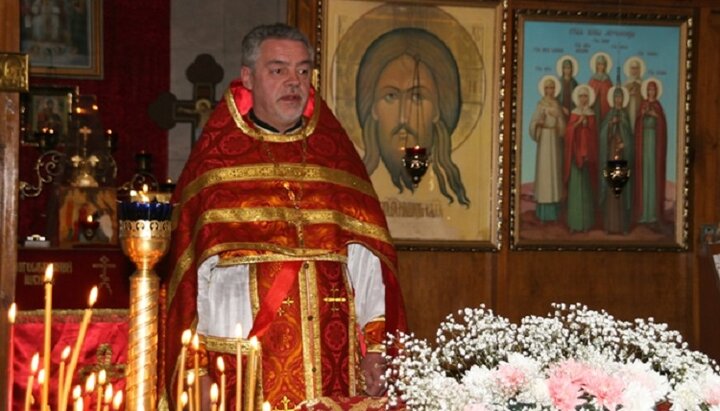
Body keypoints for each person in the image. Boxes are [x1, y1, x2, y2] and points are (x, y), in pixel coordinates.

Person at [161, 23, 406, 411]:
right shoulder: (215, 162)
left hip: (334, 365)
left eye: (303, 71)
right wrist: (198, 370)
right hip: (244, 370)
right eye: (278, 70)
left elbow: (365, 261)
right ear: (247, 77)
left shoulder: (334, 158)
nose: (294, 82)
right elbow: (193, 282)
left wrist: (375, 346)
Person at [356, 27, 470, 206]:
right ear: (373, 109)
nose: (403, 118)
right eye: (390, 96)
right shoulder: (353, 188)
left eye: (417, 97)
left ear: (437, 111)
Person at [529, 75, 566, 222]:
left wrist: (558, 118)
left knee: (554, 172)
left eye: (551, 87)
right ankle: (543, 213)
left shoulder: (557, 105)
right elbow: (532, 125)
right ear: (544, 90)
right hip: (544, 139)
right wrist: (539, 122)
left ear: (555, 89)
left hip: (554, 140)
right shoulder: (540, 104)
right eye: (547, 88)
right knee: (545, 173)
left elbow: (563, 128)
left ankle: (554, 212)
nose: (549, 90)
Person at [599, 86, 634, 234]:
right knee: (611, 189)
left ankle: (623, 227)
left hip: (622, 156)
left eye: (620, 97)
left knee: (622, 189)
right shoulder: (609, 115)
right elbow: (602, 135)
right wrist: (611, 124)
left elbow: (629, 137)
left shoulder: (625, 115)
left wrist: (624, 142)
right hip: (611, 154)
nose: (618, 99)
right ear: (613, 99)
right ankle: (610, 227)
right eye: (616, 97)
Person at [564, 85, 598, 232]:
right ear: (577, 98)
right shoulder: (574, 113)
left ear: (589, 98)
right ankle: (574, 224)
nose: (583, 99)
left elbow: (594, 135)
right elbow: (568, 132)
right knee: (575, 190)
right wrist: (578, 123)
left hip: (586, 156)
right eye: (581, 96)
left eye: (585, 96)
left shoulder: (591, 114)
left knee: (585, 190)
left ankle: (586, 224)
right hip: (575, 155)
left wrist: (586, 125)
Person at [633, 79, 667, 226]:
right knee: (644, 175)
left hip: (654, 143)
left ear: (656, 91)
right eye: (649, 90)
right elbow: (638, 123)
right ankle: (643, 213)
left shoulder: (658, 106)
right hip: (644, 143)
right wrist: (642, 115)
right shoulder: (643, 104)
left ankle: (652, 214)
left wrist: (655, 116)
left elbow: (662, 125)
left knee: (652, 176)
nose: (650, 92)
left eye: (653, 90)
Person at [588, 53, 613, 124]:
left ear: (605, 66)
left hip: (605, 105)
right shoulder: (593, 79)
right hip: (595, 105)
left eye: (602, 64)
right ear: (596, 65)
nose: (600, 66)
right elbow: (590, 92)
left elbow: (610, 93)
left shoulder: (607, 79)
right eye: (599, 64)